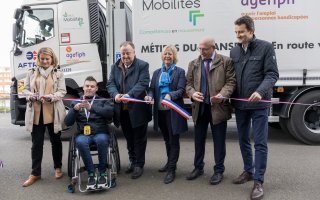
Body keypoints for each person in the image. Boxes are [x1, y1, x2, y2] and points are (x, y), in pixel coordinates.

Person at [230, 15, 279, 200]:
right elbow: (232, 78)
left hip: (259, 104)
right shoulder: (234, 51)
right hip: (240, 105)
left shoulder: (265, 47)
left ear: (251, 31)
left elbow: (272, 74)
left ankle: (258, 181)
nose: (238, 35)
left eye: (241, 32)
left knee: (260, 142)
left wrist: (260, 91)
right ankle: (248, 171)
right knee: (243, 139)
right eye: (236, 32)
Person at [186, 36, 236, 185]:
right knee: (198, 140)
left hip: (218, 108)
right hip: (200, 108)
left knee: (219, 142)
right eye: (200, 48)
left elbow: (231, 82)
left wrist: (223, 94)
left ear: (214, 47)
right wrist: (192, 93)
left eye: (205, 49)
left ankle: (219, 170)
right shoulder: (193, 63)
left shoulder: (226, 61)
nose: (201, 51)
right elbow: (188, 84)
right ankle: (198, 167)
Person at [107, 41, 152, 179]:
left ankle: (139, 164)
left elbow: (143, 83)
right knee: (129, 138)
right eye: (123, 53)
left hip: (137, 109)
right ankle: (132, 161)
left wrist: (129, 95)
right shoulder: (115, 67)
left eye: (128, 53)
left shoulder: (142, 65)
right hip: (122, 110)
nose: (125, 56)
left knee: (139, 138)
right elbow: (110, 84)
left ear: (134, 52)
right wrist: (115, 95)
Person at [22, 47, 66, 187]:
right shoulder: (31, 72)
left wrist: (50, 97)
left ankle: (58, 168)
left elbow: (62, 91)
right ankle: (35, 173)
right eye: (42, 59)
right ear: (39, 60)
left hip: (53, 112)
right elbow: (25, 90)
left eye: (47, 59)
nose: (45, 61)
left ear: (52, 59)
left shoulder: (58, 73)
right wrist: (30, 95)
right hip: (36, 113)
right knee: (36, 144)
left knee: (56, 142)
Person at [144, 45, 188, 184]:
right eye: (165, 54)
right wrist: (149, 96)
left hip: (173, 112)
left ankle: (172, 169)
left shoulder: (180, 72)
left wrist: (170, 94)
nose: (167, 56)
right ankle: (169, 163)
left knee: (173, 140)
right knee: (166, 140)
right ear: (162, 56)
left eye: (170, 54)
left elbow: (181, 90)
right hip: (160, 112)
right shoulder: (157, 72)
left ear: (174, 56)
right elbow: (151, 89)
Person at [64, 76, 114, 190]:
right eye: (87, 86)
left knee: (101, 140)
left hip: (100, 132)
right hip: (83, 134)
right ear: (83, 87)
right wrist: (74, 110)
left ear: (96, 88)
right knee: (80, 141)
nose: (89, 88)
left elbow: (110, 114)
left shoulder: (103, 100)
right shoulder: (76, 102)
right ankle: (91, 174)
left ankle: (102, 173)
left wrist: (91, 108)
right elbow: (67, 122)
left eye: (92, 86)